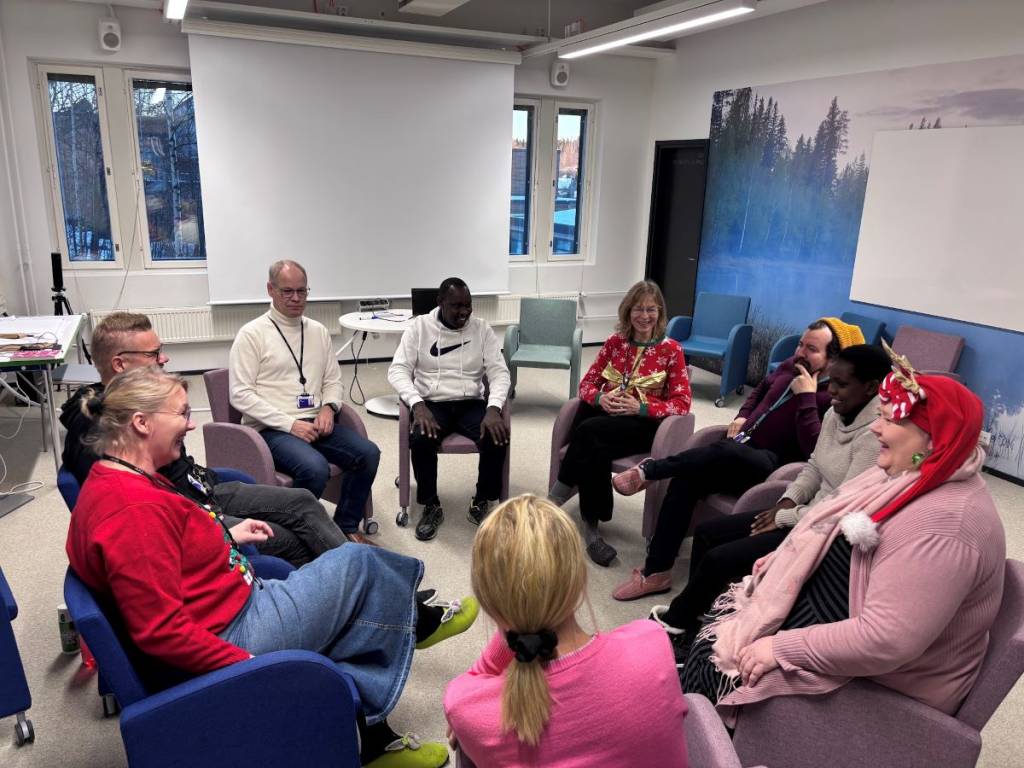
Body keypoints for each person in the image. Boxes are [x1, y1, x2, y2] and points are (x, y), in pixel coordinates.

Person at [66, 366, 478, 768]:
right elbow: (162, 632)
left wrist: (226, 534)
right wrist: (247, 665)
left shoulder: (123, 478)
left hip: (238, 605)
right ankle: (415, 620)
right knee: (360, 563)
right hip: (238, 632)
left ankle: (376, 740)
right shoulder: (131, 510)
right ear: (141, 422)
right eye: (182, 414)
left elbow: (170, 546)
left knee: (354, 591)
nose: (190, 426)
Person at [679, 349, 1005, 724]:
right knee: (717, 630)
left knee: (716, 669)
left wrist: (779, 646)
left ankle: (705, 734)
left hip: (888, 688)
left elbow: (886, 640)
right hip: (850, 621)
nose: (875, 429)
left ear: (933, 437)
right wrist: (785, 560)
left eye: (888, 420)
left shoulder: (946, 526)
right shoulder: (916, 472)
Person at [649, 344, 891, 652]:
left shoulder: (875, 434)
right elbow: (814, 467)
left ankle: (679, 624)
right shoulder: (835, 412)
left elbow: (843, 507)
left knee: (720, 558)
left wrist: (785, 517)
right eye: (833, 382)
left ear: (871, 387)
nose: (833, 391)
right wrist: (788, 501)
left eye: (842, 385)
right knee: (709, 534)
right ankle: (696, 617)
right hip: (803, 513)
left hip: (823, 533)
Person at [60, 312, 347, 566]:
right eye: (153, 354)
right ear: (120, 364)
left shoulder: (140, 402)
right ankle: (340, 594)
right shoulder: (99, 428)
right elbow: (134, 513)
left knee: (302, 501)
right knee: (289, 538)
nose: (163, 358)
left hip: (202, 487)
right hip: (187, 514)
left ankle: (363, 577)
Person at [611, 317, 865, 600]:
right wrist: (743, 415)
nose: (800, 353)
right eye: (800, 344)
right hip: (738, 452)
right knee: (687, 478)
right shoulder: (790, 366)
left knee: (728, 450)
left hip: (772, 467)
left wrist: (806, 398)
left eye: (811, 349)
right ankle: (656, 571)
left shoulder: (833, 399)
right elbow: (759, 390)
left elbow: (816, 452)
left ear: (833, 360)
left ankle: (651, 470)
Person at [444, 495, 689, 767]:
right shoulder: (651, 642)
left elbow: (478, 678)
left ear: (488, 603)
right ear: (580, 580)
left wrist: (514, 625)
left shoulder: (467, 706)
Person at [229, 260, 381, 541]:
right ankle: (301, 537)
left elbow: (332, 380)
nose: (296, 298)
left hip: (315, 421)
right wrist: (290, 424)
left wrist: (329, 406)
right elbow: (240, 394)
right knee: (314, 468)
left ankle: (345, 527)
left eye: (302, 291)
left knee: (368, 453)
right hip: (271, 428)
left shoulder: (318, 332)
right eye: (287, 291)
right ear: (270, 290)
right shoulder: (252, 334)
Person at [547, 280, 691, 567]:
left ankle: (550, 505)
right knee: (591, 438)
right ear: (628, 311)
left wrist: (641, 407)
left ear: (659, 312)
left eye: (651, 309)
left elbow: (682, 403)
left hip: (644, 425)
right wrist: (602, 398)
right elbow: (585, 384)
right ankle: (591, 527)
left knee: (587, 432)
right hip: (606, 421)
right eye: (638, 308)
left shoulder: (671, 350)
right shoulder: (615, 343)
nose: (644, 315)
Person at [388, 277, 511, 541]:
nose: (464, 312)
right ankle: (431, 505)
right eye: (456, 306)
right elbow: (397, 370)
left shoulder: (482, 330)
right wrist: (417, 404)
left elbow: (500, 373)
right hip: (432, 403)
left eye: (468, 306)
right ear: (440, 303)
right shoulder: (419, 328)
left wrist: (493, 407)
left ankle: (481, 500)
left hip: (470, 403)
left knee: (497, 436)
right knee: (421, 438)